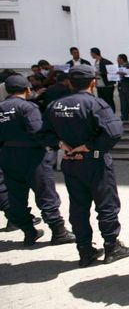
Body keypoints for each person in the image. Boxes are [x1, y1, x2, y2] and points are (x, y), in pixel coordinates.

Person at [41, 65, 129, 267]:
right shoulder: (95, 104)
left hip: (70, 162)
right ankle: (112, 246)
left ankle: (85, 251)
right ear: (93, 82)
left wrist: (60, 144)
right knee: (106, 205)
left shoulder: (54, 105)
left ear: (69, 83)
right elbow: (114, 132)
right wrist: (89, 146)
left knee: (78, 207)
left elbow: (43, 133)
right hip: (95, 161)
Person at [0, 75, 75, 246]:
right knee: (45, 193)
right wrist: (57, 143)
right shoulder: (27, 107)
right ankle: (59, 232)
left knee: (16, 196)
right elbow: (37, 131)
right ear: (27, 89)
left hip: (7, 156)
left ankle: (29, 232)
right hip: (31, 156)